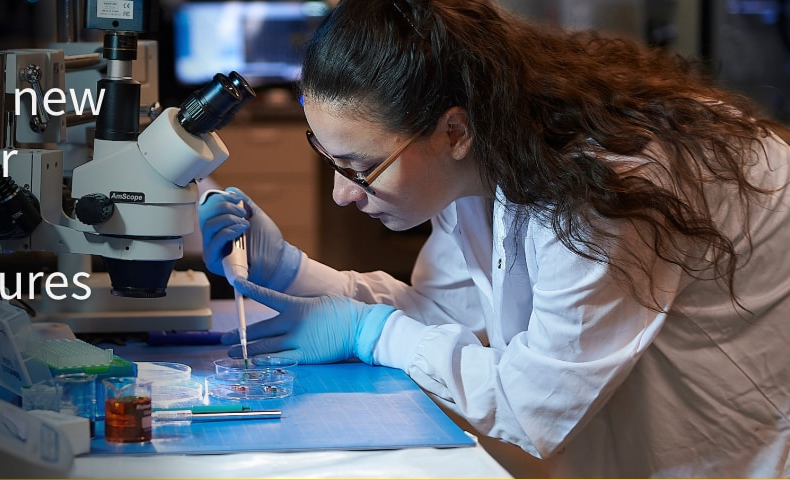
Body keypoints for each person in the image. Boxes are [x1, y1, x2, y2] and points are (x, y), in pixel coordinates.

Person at [198, 0, 790, 477]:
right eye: (325, 156)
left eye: (359, 167)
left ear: (453, 130)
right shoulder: (488, 153)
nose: (341, 194)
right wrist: (294, 271)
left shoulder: (605, 184)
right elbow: (444, 316)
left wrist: (367, 331)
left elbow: (535, 406)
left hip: (737, 424)